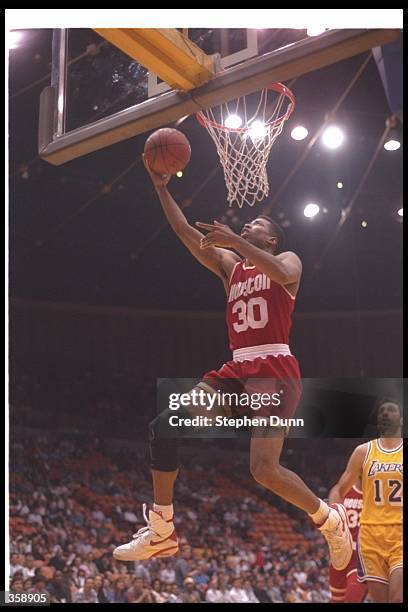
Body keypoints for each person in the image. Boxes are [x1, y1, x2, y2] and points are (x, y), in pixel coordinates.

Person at [113, 160, 352, 572]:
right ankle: (162, 530)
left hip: (274, 367)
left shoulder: (287, 260)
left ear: (272, 238)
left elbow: (279, 271)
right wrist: (161, 189)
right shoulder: (230, 267)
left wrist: (238, 244)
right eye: (246, 227)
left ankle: (329, 520)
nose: (247, 228)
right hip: (237, 369)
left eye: (256, 225)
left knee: (263, 470)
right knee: (164, 425)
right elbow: (185, 232)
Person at [328, 398, 403, 603]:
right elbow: (339, 489)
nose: (386, 414)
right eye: (382, 412)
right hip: (370, 536)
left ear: (402, 419)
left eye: (391, 410)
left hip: (400, 533)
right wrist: (334, 512)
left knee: (397, 598)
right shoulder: (363, 451)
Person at [328, 477, 368, 603]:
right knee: (336, 600)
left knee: (352, 598)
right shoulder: (340, 491)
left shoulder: (376, 494)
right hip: (341, 553)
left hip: (362, 556)